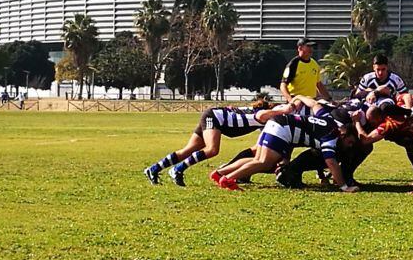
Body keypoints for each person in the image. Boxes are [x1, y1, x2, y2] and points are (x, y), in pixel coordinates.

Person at [143, 100, 294, 186]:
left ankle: (154, 169)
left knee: (188, 150)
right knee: (212, 149)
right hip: (215, 118)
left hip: (215, 119)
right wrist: (286, 109)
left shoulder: (268, 124)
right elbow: (267, 114)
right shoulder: (264, 114)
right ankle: (177, 169)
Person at [216, 113, 360, 192]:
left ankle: (220, 173)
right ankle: (228, 179)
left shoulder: (332, 124)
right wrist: (344, 186)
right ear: (343, 135)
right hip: (282, 128)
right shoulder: (332, 136)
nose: (350, 146)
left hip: (278, 122)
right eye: (350, 142)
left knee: (257, 159)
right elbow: (331, 163)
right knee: (264, 163)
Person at [280, 38, 331, 103]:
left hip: (311, 101)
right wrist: (291, 101)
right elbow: (283, 85)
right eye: (308, 46)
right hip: (297, 102)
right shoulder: (293, 64)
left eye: (312, 47)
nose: (311, 49)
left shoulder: (314, 64)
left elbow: (319, 84)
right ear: (300, 48)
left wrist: (329, 99)